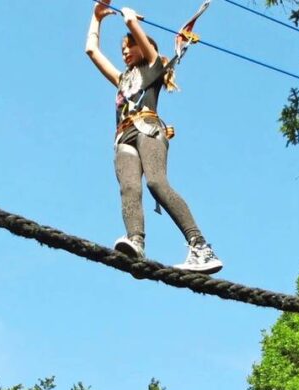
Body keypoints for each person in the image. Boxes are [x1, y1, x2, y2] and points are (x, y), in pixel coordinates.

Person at [84, 0, 222, 274]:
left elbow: (143, 41)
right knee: (129, 188)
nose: (125, 51)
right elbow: (91, 50)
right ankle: (135, 242)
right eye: (122, 49)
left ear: (143, 46)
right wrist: (96, 17)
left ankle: (200, 246)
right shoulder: (122, 80)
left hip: (148, 128)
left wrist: (130, 21)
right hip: (123, 136)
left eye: (129, 46)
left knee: (156, 183)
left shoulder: (154, 67)